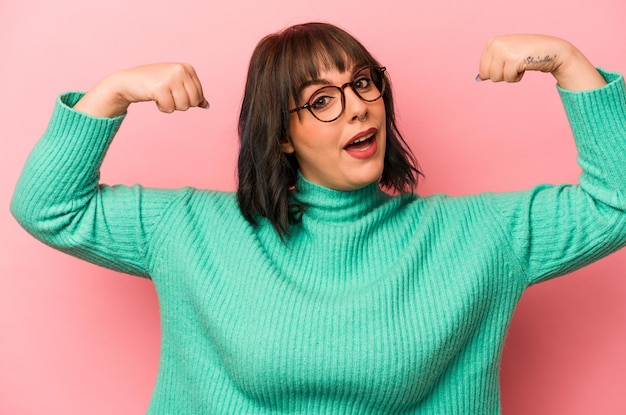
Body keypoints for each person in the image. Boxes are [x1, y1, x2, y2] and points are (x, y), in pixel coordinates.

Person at [10, 21, 626, 414]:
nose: (358, 109)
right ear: (282, 135)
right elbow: (47, 207)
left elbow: (614, 205)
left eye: (364, 84)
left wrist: (573, 67)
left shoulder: (478, 237)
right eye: (323, 101)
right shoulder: (189, 231)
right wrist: (110, 93)